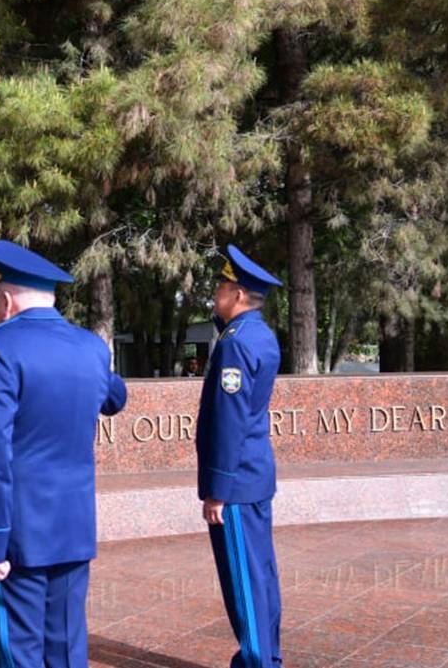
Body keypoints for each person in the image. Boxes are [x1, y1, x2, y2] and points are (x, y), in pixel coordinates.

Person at [0, 240, 128, 668]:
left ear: (5, 299)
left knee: (16, 652)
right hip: (73, 528)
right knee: (67, 649)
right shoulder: (92, 348)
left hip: (17, 533)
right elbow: (116, 399)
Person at [197, 244, 285, 668]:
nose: (215, 295)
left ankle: (257, 661)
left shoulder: (234, 345)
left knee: (244, 580)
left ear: (236, 295)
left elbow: (228, 421)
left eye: (221, 288)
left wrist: (217, 490)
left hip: (236, 482)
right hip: (254, 475)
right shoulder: (259, 335)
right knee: (260, 573)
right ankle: (267, 653)